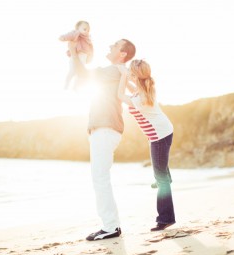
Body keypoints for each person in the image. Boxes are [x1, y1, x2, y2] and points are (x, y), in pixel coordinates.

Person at [68, 39, 136, 241]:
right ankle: (110, 224)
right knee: (100, 178)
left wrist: (74, 51)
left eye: (114, 45)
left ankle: (111, 226)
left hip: (106, 129)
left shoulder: (115, 70)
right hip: (103, 129)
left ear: (122, 54)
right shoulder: (115, 71)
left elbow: (83, 74)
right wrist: (77, 54)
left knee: (100, 178)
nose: (110, 46)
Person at [117, 59, 176, 231]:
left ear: (135, 76)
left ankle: (166, 218)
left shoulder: (141, 98)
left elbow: (120, 96)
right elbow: (132, 89)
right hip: (163, 132)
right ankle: (166, 177)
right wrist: (128, 77)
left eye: (131, 72)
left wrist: (122, 76)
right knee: (162, 174)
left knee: (161, 180)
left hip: (159, 136)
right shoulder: (143, 90)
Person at [59, 20, 94, 90]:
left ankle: (75, 87)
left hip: (84, 56)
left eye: (88, 30)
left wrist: (90, 56)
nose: (86, 31)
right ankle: (67, 83)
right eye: (84, 29)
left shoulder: (88, 38)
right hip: (77, 54)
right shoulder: (76, 33)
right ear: (77, 29)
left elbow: (91, 48)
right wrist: (63, 37)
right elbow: (69, 35)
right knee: (72, 71)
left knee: (80, 72)